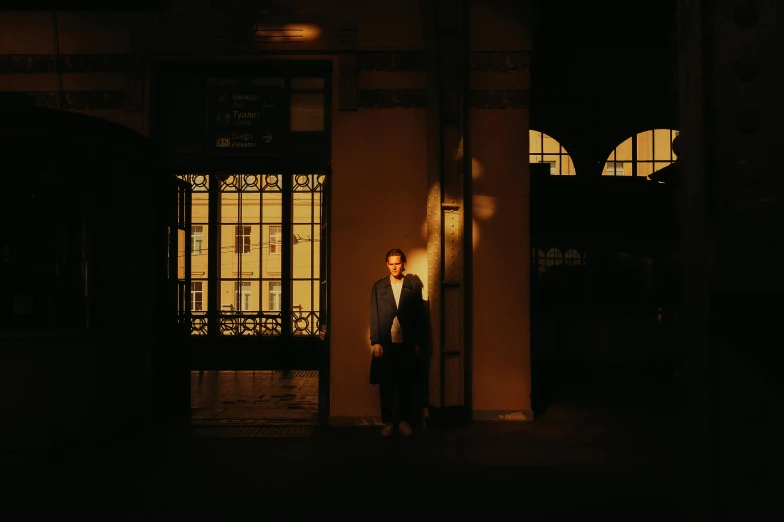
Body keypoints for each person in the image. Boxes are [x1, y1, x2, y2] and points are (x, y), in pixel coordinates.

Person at [369, 248, 426, 436]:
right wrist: (376, 341)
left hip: (407, 342)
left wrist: (417, 341)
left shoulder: (413, 286)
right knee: (386, 383)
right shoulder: (379, 287)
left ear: (403, 264)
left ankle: (404, 421)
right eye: (391, 263)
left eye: (397, 263)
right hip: (386, 342)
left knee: (407, 382)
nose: (394, 267)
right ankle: (388, 421)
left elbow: (419, 316)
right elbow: (374, 315)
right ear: (387, 264)